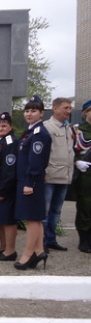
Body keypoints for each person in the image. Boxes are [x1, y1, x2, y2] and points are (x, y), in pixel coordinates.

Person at [14, 95, 52, 270]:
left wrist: (29, 182)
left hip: (31, 181)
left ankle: (28, 254)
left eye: (34, 110)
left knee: (31, 219)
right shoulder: (30, 131)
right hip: (28, 180)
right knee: (35, 218)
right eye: (27, 110)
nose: (29, 113)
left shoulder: (39, 133)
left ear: (41, 113)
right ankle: (39, 251)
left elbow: (36, 160)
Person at [42, 97, 74, 252]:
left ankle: (51, 239)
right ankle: (41, 242)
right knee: (45, 211)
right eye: (65, 108)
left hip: (64, 176)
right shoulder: (47, 127)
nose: (68, 111)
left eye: (70, 108)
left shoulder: (68, 128)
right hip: (50, 176)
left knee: (56, 210)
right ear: (55, 108)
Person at [0, 112, 19, 261]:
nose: (0, 128)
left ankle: (11, 251)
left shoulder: (11, 143)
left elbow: (9, 169)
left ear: (11, 127)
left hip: (5, 188)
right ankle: (3, 246)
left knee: (7, 220)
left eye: (4, 125)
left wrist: (3, 189)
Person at [73, 99, 91, 253]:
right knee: (85, 206)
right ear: (85, 113)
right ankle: (84, 239)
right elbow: (68, 151)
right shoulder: (78, 131)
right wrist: (76, 162)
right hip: (85, 176)